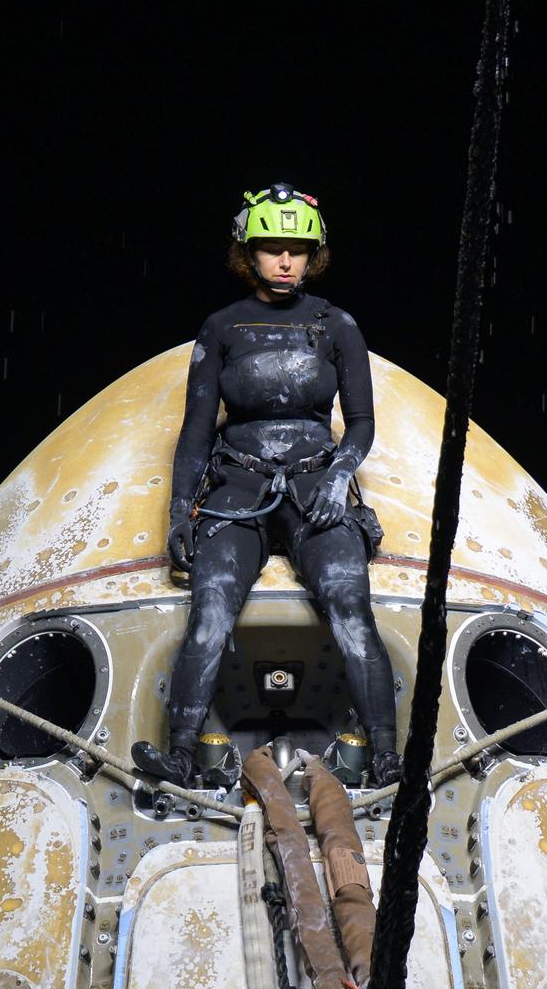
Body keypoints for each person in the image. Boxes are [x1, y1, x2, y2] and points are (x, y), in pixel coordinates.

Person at [132, 183, 401, 790]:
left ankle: (386, 758)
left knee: (349, 603)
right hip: (237, 488)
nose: (285, 262)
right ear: (247, 252)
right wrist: (179, 513)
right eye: (272, 248)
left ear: (315, 255)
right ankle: (181, 754)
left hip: (316, 490)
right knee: (211, 607)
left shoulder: (338, 325)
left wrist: (339, 478)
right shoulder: (222, 327)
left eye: (297, 250)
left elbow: (360, 422)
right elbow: (197, 430)